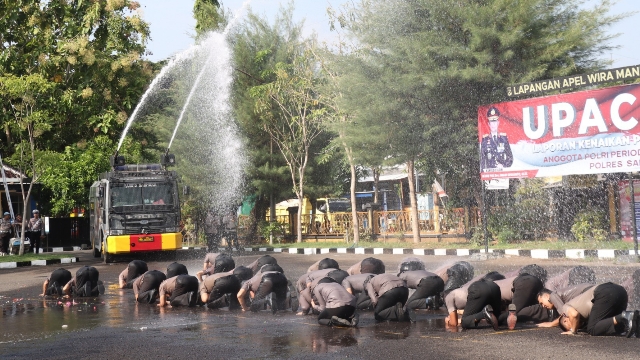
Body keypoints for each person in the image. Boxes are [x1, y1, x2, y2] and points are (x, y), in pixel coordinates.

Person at [558, 282, 638, 337]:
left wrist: (573, 331)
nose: (576, 327)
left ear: (565, 320)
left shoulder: (565, 307)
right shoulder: (584, 317)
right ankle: (636, 320)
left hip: (603, 292)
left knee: (592, 329)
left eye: (570, 326)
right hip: (620, 290)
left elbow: (574, 315)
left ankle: (624, 316)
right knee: (619, 327)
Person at [480, 106, 513, 172]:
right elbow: (482, 160)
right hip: (490, 174)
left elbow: (510, 158)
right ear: (489, 124)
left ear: (498, 123)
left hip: (502, 174)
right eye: (491, 122)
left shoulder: (503, 138)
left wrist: (503, 165)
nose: (493, 125)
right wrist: (483, 174)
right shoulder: (485, 139)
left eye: (495, 122)